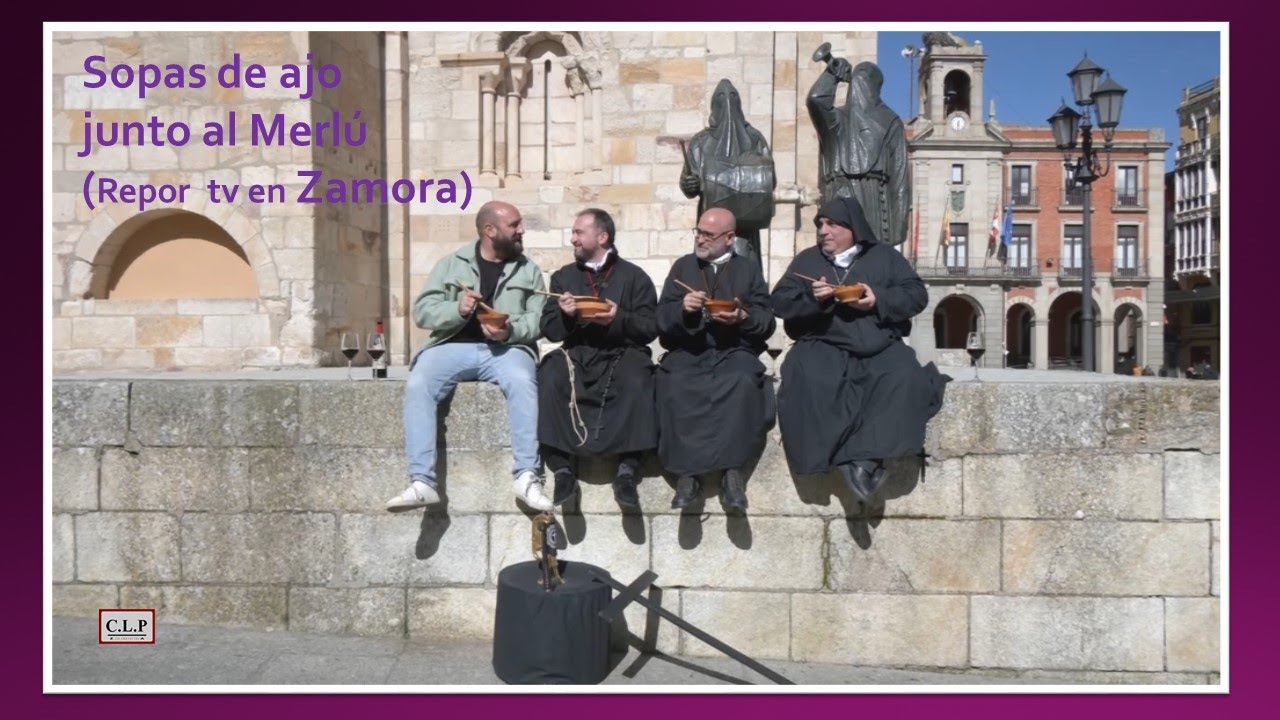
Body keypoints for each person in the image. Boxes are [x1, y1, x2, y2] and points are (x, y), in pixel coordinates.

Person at [771, 196, 949, 501]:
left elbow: (916, 295)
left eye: (832, 224)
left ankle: (862, 461)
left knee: (905, 377)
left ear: (852, 228)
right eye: (820, 224)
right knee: (810, 378)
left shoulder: (885, 256)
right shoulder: (807, 260)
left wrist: (876, 297)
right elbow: (779, 301)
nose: (823, 231)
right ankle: (842, 459)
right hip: (823, 342)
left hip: (878, 343)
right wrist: (814, 299)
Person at [387, 200, 553, 513]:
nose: (521, 230)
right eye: (514, 225)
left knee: (523, 380)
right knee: (419, 383)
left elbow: (539, 318)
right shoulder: (452, 264)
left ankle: (527, 476)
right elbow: (423, 312)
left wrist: (509, 330)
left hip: (507, 349)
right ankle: (422, 482)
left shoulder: (528, 270)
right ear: (490, 230)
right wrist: (458, 309)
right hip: (451, 346)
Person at [655, 208, 776, 514]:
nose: (700, 239)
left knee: (743, 381)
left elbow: (766, 319)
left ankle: (732, 475)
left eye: (708, 235)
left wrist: (743, 316)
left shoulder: (747, 270)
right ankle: (687, 476)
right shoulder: (683, 267)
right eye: (698, 232)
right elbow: (661, 318)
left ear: (730, 238)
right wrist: (683, 309)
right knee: (674, 382)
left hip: (733, 350)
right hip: (690, 350)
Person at [537, 209, 659, 509]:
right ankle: (562, 470)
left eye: (579, 232)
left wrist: (618, 318)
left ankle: (627, 471)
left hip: (622, 351)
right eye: (574, 232)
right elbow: (549, 329)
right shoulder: (563, 277)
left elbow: (650, 327)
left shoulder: (635, 277)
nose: (573, 239)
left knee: (639, 377)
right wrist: (565, 316)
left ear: (602, 237)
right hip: (577, 352)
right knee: (550, 374)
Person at [807, 58, 910, 248]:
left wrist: (898, 228)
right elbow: (816, 99)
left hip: (873, 199)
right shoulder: (836, 120)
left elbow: (899, 179)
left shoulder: (891, 121)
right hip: (837, 192)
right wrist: (832, 74)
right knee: (834, 252)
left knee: (869, 255)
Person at [679, 79, 776, 271]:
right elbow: (689, 180)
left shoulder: (754, 138)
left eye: (733, 97)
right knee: (708, 268)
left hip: (744, 225)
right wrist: (689, 183)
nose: (728, 103)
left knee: (745, 269)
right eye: (721, 98)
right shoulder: (701, 141)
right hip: (710, 221)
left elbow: (768, 178)